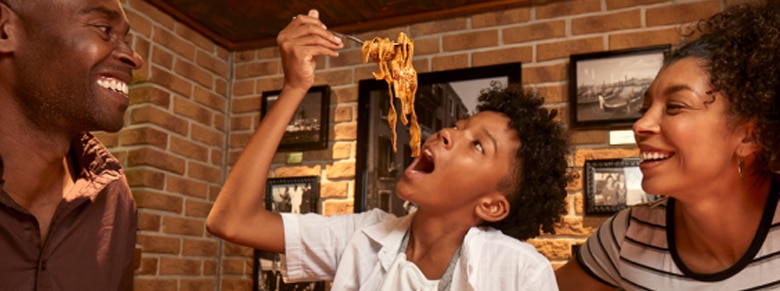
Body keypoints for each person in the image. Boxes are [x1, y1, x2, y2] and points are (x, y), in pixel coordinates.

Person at [206, 9, 571, 290]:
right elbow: (231, 221)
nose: (446, 133)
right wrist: (294, 87)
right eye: (459, 126)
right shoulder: (363, 236)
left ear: (491, 205)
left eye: (477, 145)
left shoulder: (520, 271)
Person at [555, 2, 780, 290]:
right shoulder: (628, 235)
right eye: (644, 108)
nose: (640, 125)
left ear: (750, 136)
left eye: (674, 106)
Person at [0, 0, 143, 290]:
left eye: (124, 38)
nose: (134, 58)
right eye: (104, 30)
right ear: (4, 31)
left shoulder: (115, 197)